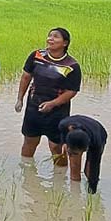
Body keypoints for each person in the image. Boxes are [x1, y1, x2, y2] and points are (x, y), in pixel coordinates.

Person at [16, 28, 80, 163]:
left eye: (56, 37)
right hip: (34, 107)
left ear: (65, 43)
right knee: (29, 141)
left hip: (57, 112)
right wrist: (20, 99)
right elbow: (26, 77)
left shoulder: (71, 65)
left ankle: (60, 178)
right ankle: (26, 175)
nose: (50, 39)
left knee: (56, 146)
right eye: (49, 36)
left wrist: (52, 104)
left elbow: (71, 91)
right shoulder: (37, 56)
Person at [59, 115, 108, 193]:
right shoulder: (63, 125)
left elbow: (95, 169)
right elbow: (63, 132)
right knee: (74, 165)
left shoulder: (96, 143)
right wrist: (64, 143)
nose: (73, 154)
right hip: (76, 124)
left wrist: (92, 191)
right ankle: (75, 190)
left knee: (89, 170)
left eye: (77, 153)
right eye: (72, 152)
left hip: (99, 132)